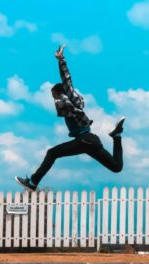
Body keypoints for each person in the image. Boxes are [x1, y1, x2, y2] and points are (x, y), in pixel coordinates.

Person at [15, 45, 125, 191]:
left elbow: (66, 78)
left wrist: (61, 59)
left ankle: (33, 183)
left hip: (84, 140)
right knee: (116, 167)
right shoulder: (67, 103)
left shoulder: (68, 98)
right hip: (90, 141)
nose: (53, 98)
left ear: (58, 92)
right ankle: (116, 136)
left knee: (52, 153)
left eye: (53, 94)